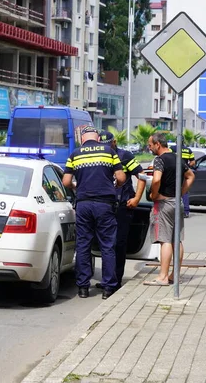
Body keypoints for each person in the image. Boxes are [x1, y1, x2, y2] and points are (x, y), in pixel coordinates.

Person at [62, 126, 127, 299]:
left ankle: (83, 288)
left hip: (83, 204)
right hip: (105, 204)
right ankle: (108, 288)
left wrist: (76, 187)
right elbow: (121, 178)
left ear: (82, 140)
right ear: (97, 139)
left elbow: (66, 181)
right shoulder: (109, 152)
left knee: (83, 245)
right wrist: (115, 187)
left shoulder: (75, 154)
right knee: (107, 246)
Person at [95, 130, 146, 290]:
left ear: (114, 142)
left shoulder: (125, 156)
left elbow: (141, 176)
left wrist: (137, 198)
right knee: (106, 245)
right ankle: (107, 279)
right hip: (104, 206)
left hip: (122, 207)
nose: (106, 148)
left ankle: (116, 280)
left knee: (119, 244)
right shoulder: (99, 157)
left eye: (108, 145)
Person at [144, 133, 195, 286]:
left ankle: (163, 277)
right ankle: (174, 275)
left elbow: (157, 179)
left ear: (158, 144)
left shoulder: (159, 160)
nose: (149, 148)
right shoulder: (177, 157)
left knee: (165, 240)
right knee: (176, 240)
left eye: (150, 145)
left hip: (164, 204)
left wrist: (154, 194)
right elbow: (191, 176)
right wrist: (181, 192)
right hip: (177, 202)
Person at [170, 144, 196, 218]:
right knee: (185, 192)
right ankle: (186, 211)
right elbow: (193, 162)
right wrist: (187, 166)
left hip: (174, 172)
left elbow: (169, 157)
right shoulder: (188, 150)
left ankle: (173, 210)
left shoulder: (172, 148)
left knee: (172, 190)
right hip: (184, 172)